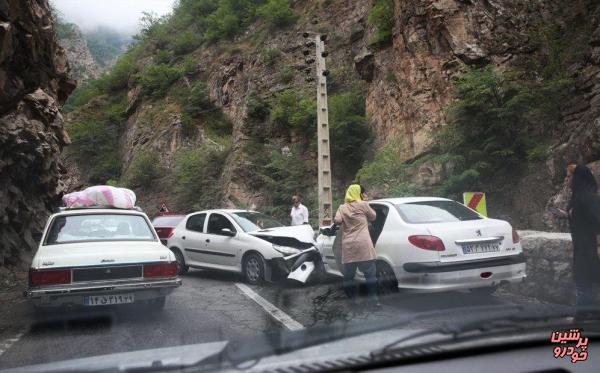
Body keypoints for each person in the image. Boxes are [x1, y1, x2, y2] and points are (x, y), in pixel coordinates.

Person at [333, 184, 379, 308]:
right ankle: (373, 302)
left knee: (349, 276)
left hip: (349, 246)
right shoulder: (363, 205)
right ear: (358, 193)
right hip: (363, 244)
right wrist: (365, 203)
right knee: (370, 275)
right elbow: (373, 217)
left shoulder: (342, 207)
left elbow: (337, 221)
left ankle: (352, 302)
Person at [566, 164, 600, 308]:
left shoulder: (590, 199)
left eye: (569, 176)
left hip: (592, 250)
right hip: (581, 249)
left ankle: (583, 321)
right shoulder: (577, 197)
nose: (566, 179)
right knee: (583, 284)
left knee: (583, 286)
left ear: (577, 178)